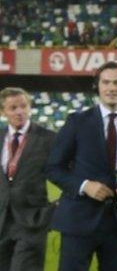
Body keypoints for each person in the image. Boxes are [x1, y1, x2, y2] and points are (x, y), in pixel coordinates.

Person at [46, 62, 117, 271]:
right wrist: (84, 185)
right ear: (97, 86)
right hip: (77, 222)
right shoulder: (76, 122)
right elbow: (53, 167)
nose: (111, 88)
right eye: (106, 82)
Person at [0, 88, 56, 270]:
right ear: (3, 112)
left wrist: (58, 206)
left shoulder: (48, 139)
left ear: (30, 107)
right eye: (13, 107)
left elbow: (68, 172)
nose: (19, 111)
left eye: (23, 106)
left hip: (32, 222)